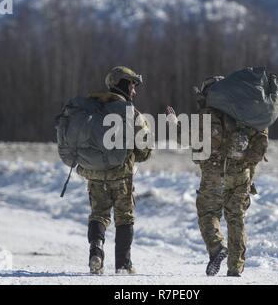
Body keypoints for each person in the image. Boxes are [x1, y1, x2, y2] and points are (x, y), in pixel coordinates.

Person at [166, 76, 268, 277]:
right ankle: (235, 267)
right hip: (241, 173)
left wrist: (172, 121)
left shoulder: (207, 115)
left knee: (208, 213)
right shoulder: (245, 114)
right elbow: (258, 146)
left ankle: (216, 247)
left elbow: (183, 137)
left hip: (214, 173)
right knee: (236, 218)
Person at [77, 66, 152, 275]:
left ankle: (96, 251)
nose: (135, 91)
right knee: (124, 217)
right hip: (121, 176)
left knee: (98, 215)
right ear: (124, 84)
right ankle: (123, 264)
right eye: (133, 85)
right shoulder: (130, 112)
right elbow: (145, 150)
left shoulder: (93, 108)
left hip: (94, 173)